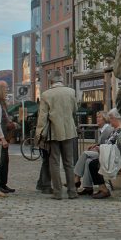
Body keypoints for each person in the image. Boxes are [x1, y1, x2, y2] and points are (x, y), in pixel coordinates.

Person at [35, 70, 78, 200]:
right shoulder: (71, 92)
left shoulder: (46, 95)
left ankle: (58, 192)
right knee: (69, 163)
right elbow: (75, 110)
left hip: (54, 132)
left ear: (50, 81)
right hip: (69, 131)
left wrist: (39, 133)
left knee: (54, 162)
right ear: (61, 79)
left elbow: (42, 117)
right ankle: (72, 191)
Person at [74, 111, 113, 195]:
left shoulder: (108, 129)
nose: (97, 119)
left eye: (99, 117)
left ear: (104, 119)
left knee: (85, 153)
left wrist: (97, 148)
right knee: (88, 161)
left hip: (105, 154)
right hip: (102, 152)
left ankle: (76, 179)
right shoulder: (103, 129)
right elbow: (103, 142)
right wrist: (96, 145)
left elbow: (107, 144)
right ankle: (88, 187)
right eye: (97, 117)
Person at [88, 108, 121, 199]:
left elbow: (114, 147)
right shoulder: (115, 130)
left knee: (93, 164)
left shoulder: (119, 131)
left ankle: (104, 190)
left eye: (110, 118)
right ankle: (100, 188)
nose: (109, 120)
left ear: (115, 118)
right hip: (110, 156)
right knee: (92, 162)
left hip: (117, 159)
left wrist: (100, 148)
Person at [0, 80, 17, 193]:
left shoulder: (2, 102)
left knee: (5, 161)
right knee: (0, 162)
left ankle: (3, 184)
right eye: (5, 88)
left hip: (5, 135)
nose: (7, 90)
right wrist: (12, 124)